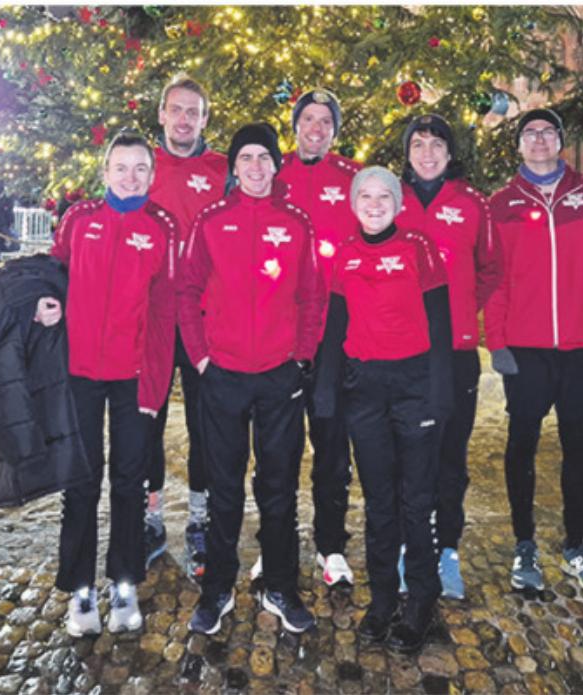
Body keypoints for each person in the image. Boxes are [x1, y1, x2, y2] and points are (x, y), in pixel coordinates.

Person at [180, 123, 325, 635]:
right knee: (224, 488)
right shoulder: (212, 220)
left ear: (274, 165)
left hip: (279, 376)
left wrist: (301, 357)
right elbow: (186, 290)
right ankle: (218, 586)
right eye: (247, 158)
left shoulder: (298, 222)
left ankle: (280, 585)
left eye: (264, 157)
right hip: (222, 375)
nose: (256, 166)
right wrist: (199, 358)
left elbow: (314, 295)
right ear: (234, 167)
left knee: (279, 487)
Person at [37, 131, 176, 636]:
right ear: (106, 170)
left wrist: (152, 390)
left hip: (131, 380)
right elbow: (53, 275)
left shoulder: (162, 227)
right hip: (78, 375)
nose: (131, 176)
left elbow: (165, 316)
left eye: (141, 168)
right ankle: (79, 589)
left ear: (152, 174)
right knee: (80, 483)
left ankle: (123, 581)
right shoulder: (80, 219)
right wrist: (46, 305)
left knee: (128, 482)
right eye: (122, 167)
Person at [314, 166, 453, 654]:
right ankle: (383, 599)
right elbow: (334, 329)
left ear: (398, 203)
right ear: (353, 204)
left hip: (415, 387)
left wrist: (440, 395)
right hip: (365, 391)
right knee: (378, 502)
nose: (374, 204)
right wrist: (326, 392)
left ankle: (421, 597)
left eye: (383, 196)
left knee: (417, 501)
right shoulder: (345, 256)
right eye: (365, 196)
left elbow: (440, 326)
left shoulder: (419, 249)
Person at [485, 108, 583, 592]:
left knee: (577, 446)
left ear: (560, 141)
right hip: (525, 348)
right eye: (529, 134)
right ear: (519, 145)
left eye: (547, 132)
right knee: (521, 443)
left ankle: (575, 544)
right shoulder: (500, 204)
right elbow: (495, 279)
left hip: (581, 346)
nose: (539, 140)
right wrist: (496, 340)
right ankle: (525, 544)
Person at [396, 114, 504, 600]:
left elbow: (490, 269)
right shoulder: (389, 200)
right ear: (408, 152)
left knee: (449, 459)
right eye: (418, 143)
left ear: (448, 151)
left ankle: (447, 551)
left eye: (436, 142)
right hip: (400, 353)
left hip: (455, 354)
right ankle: (407, 547)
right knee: (404, 457)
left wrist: (461, 312)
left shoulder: (471, 203)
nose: (427, 151)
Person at [264, 88, 360, 588]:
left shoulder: (351, 178)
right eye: (309, 119)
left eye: (326, 121)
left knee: (330, 442)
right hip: (277, 328)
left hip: (331, 333)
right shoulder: (270, 173)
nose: (316, 129)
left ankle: (330, 545)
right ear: (295, 124)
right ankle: (272, 545)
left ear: (334, 130)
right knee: (276, 446)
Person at [146, 73, 228, 578]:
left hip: (203, 318)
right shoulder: (141, 163)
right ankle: (150, 516)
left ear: (204, 118)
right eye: (175, 109)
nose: (183, 119)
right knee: (146, 421)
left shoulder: (222, 168)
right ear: (161, 114)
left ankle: (200, 517)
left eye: (193, 112)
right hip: (151, 318)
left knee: (206, 426)